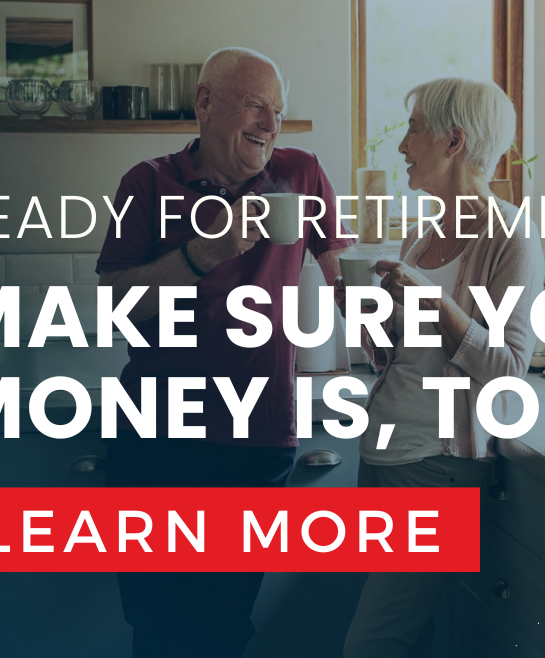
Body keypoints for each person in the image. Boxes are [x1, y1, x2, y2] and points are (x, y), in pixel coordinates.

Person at [95, 47, 355, 658]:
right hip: (156, 435)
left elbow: (344, 279)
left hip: (256, 438)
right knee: (157, 622)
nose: (270, 123)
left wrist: (393, 338)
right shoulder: (146, 181)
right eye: (254, 104)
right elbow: (117, 307)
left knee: (222, 624)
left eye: (279, 111)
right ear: (205, 104)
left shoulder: (301, 172)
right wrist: (203, 254)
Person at [339, 77, 545, 658]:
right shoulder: (420, 236)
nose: (403, 147)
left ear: (454, 141)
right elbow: (396, 358)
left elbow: (509, 370)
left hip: (438, 472)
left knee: (370, 645)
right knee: (409, 637)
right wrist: (373, 325)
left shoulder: (510, 237)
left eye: (413, 130)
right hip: (380, 458)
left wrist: (436, 302)